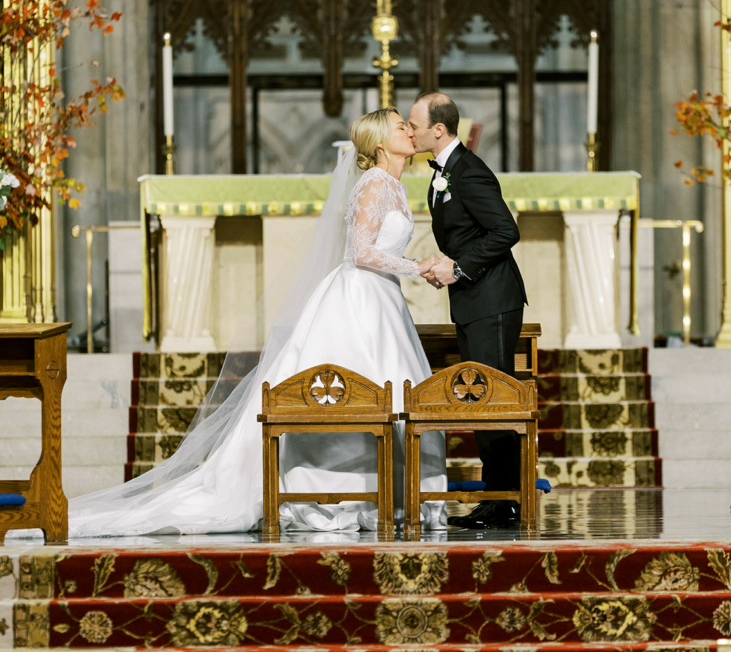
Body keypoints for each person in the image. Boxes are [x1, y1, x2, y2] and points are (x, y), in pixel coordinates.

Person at [64, 108, 447, 537]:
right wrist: (419, 266)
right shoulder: (374, 184)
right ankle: (338, 494)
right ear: (380, 143)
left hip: (384, 300)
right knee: (351, 389)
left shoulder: (393, 184)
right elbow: (361, 252)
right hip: (359, 299)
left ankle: (390, 493)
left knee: (391, 390)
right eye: (401, 127)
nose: (410, 132)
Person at [407, 92, 528, 530]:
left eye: (415, 125)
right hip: (476, 299)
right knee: (481, 400)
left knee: (492, 399)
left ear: (438, 130)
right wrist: (448, 267)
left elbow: (505, 231)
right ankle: (497, 499)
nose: (410, 130)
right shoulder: (447, 171)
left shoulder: (468, 172)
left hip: (493, 301)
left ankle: (505, 501)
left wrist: (458, 267)